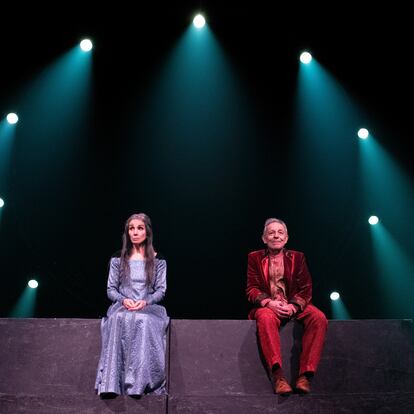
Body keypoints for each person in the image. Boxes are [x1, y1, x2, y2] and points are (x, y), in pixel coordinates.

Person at [246, 218, 327, 395]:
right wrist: (269, 303)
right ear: (264, 238)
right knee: (265, 317)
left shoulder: (298, 257)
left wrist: (293, 306)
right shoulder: (254, 257)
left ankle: (305, 376)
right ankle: (278, 376)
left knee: (319, 318)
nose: (276, 235)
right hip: (270, 306)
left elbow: (306, 288)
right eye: (271, 233)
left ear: (286, 238)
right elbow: (251, 288)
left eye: (280, 232)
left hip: (293, 304)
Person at [95, 213, 169, 396]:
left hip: (148, 307)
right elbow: (111, 289)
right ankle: (114, 385)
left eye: (140, 228)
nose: (135, 232)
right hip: (123, 305)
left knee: (143, 321)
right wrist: (123, 300)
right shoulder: (117, 258)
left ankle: (139, 384)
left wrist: (145, 301)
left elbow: (161, 290)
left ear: (147, 232)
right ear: (127, 232)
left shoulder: (158, 260)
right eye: (131, 228)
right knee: (119, 319)